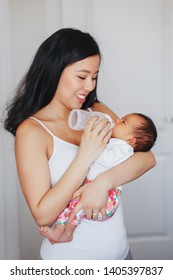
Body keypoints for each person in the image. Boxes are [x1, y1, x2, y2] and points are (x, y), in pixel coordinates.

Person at [4, 28, 156, 260]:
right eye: (82, 76)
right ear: (54, 70)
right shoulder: (33, 131)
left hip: (122, 257)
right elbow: (43, 215)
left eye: (94, 77)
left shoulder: (96, 110)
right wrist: (85, 156)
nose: (89, 86)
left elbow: (146, 157)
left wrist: (103, 183)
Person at [39, 112, 157, 244]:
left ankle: (67, 233)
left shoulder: (124, 148)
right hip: (95, 189)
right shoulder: (116, 142)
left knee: (76, 209)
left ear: (131, 140)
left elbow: (107, 159)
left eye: (123, 122)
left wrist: (93, 146)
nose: (117, 120)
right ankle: (60, 229)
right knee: (70, 207)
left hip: (108, 198)